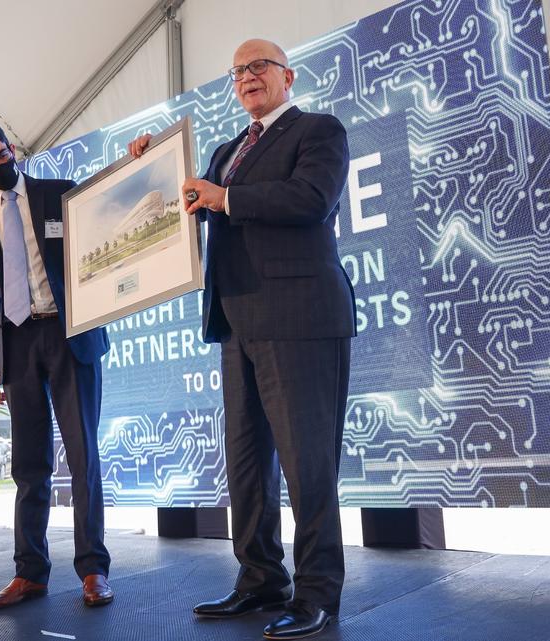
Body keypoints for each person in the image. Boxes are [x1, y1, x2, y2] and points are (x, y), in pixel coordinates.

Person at [128, 38, 354, 640]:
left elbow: (312, 198)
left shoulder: (319, 130)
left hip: (302, 318)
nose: (247, 77)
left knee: (309, 465)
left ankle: (317, 595)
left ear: (288, 76)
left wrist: (225, 197)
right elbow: (191, 199)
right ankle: (260, 579)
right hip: (238, 322)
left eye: (259, 66)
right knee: (248, 464)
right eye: (237, 72)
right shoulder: (229, 150)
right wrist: (149, 164)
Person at [0, 117, 113, 610]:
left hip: (70, 336)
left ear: (12, 149)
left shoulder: (61, 194)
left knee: (83, 455)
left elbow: (103, 245)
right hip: (17, 344)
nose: (0, 165)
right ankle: (30, 574)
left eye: (4, 155)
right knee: (29, 464)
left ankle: (93, 571)